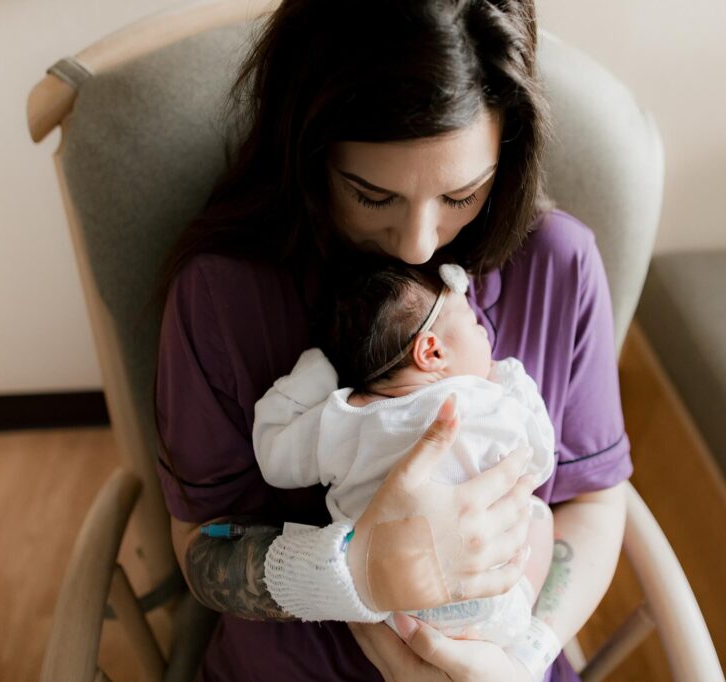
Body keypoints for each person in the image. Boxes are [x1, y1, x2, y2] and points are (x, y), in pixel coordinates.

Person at [154, 1, 631, 680]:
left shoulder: (559, 266)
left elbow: (593, 498)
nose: (419, 243)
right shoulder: (224, 296)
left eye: (463, 194)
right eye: (373, 196)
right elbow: (203, 547)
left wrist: (521, 657)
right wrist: (351, 572)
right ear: (309, 152)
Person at [252, 262, 557, 646]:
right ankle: (525, 640)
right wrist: (511, 379)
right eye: (477, 326)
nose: (487, 337)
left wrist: (316, 370)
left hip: (392, 618)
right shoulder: (484, 402)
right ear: (432, 351)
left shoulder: (341, 418)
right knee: (540, 517)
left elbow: (273, 457)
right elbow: (540, 459)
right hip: (493, 604)